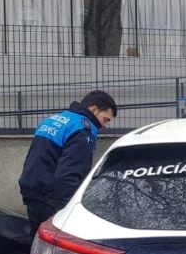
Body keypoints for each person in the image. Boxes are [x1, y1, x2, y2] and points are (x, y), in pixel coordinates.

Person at [19, 90, 117, 232]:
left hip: (32, 192)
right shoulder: (83, 129)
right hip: (52, 199)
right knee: (57, 250)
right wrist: (69, 209)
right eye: (105, 119)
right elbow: (70, 173)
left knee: (38, 243)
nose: (104, 126)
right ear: (94, 109)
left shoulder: (54, 119)